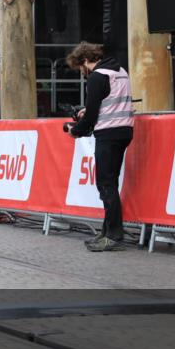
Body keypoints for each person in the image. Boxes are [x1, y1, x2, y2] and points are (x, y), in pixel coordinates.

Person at [65, 42, 134, 252]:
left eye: (80, 68)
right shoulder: (120, 71)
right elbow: (110, 101)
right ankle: (107, 232)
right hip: (125, 131)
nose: (82, 73)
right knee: (110, 182)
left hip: (108, 133)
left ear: (85, 60)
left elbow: (92, 117)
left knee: (106, 184)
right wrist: (89, 110)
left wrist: (75, 130)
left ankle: (113, 235)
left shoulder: (97, 77)